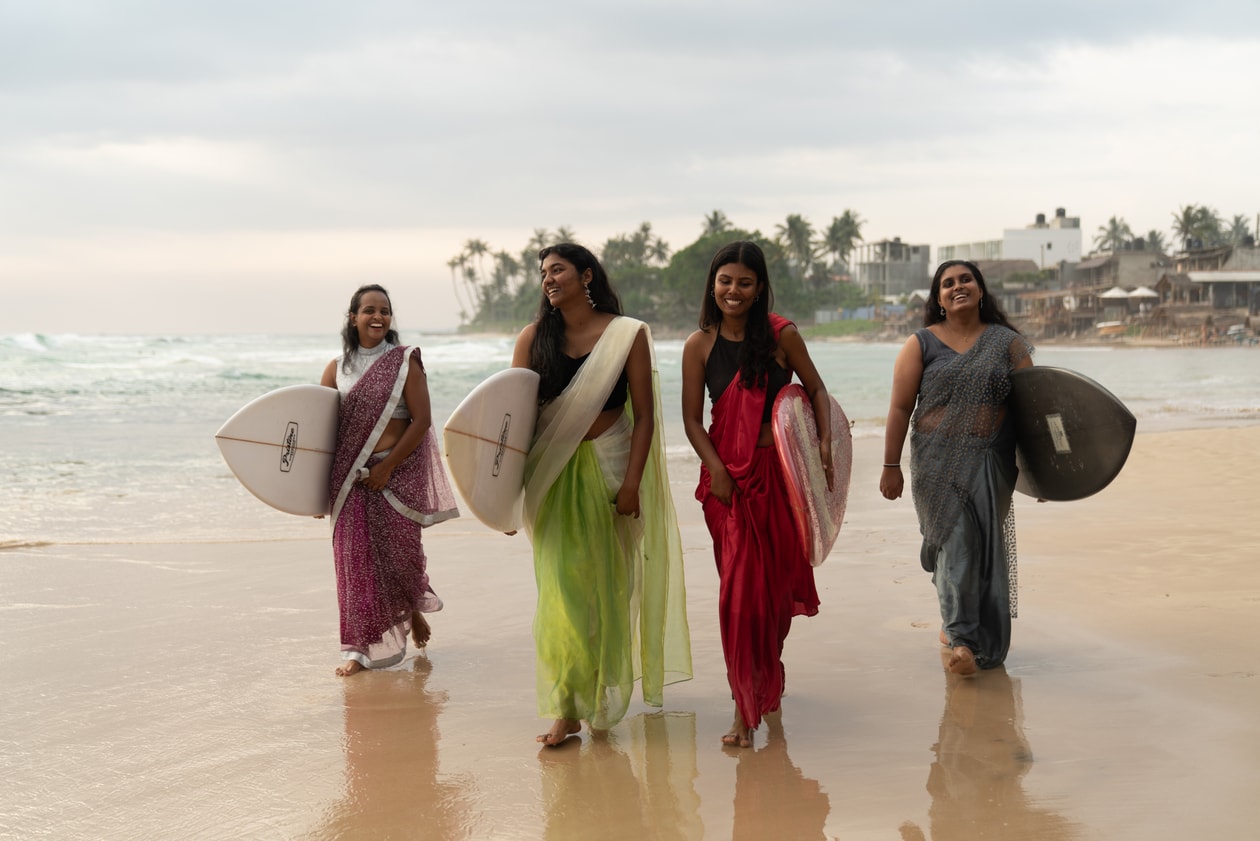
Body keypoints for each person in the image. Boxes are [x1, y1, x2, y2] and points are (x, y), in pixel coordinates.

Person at [511, 242, 691, 747]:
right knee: (563, 593)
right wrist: (500, 496)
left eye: (558, 270)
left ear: (586, 275)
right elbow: (511, 420)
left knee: (607, 590)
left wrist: (633, 482)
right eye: (543, 272)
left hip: (612, 468)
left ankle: (599, 698)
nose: (548, 279)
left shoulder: (626, 334)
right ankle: (567, 707)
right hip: (550, 475)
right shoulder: (533, 338)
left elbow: (646, 415)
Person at [681, 240, 832, 748]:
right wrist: (717, 469)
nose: (734, 290)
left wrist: (826, 446)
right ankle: (743, 708)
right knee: (738, 599)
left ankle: (766, 682)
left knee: (769, 599)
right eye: (725, 281)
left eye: (745, 282)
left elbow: (814, 391)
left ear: (760, 287)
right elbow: (690, 420)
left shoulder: (780, 335)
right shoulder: (698, 345)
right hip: (727, 485)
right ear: (712, 284)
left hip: (780, 478)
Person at [879, 260, 1033, 676]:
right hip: (935, 465)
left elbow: (1033, 407)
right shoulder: (921, 344)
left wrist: (1047, 469)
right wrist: (890, 465)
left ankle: (962, 630)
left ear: (981, 290)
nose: (958, 286)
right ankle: (962, 640)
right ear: (939, 298)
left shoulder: (1008, 344)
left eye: (966, 279)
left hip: (991, 462)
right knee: (957, 545)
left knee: (983, 551)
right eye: (948, 283)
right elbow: (898, 408)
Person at [320, 284, 458, 677]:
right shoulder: (336, 369)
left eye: (384, 310)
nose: (377, 317)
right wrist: (313, 492)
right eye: (368, 310)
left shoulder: (404, 361)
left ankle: (412, 609)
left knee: (400, 557)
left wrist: (387, 467)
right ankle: (358, 650)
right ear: (353, 317)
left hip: (393, 474)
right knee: (355, 564)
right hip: (349, 480)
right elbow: (320, 433)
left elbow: (422, 420)